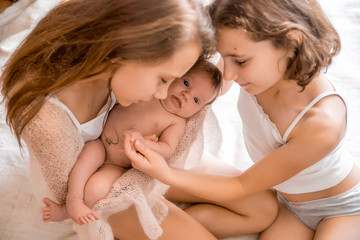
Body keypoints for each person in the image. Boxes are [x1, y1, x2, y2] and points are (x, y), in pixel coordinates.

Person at [124, 0, 360, 239]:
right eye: (224, 57)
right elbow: (213, 83)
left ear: (292, 43)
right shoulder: (262, 70)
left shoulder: (322, 123)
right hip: (290, 205)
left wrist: (166, 173)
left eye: (240, 61)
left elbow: (242, 186)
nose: (227, 73)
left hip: (342, 208)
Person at [1, 0, 228, 239]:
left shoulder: (111, 69)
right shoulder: (47, 121)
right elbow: (68, 189)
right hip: (97, 193)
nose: (163, 95)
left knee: (262, 207)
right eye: (163, 79)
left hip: (137, 168)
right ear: (123, 52)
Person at [41, 58, 223, 225]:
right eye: (186, 83)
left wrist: (144, 143)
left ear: (198, 110)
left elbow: (167, 149)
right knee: (86, 159)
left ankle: (74, 208)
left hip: (117, 165)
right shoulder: (153, 91)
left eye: (196, 99)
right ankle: (71, 203)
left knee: (95, 190)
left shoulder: (176, 122)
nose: (186, 95)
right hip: (100, 143)